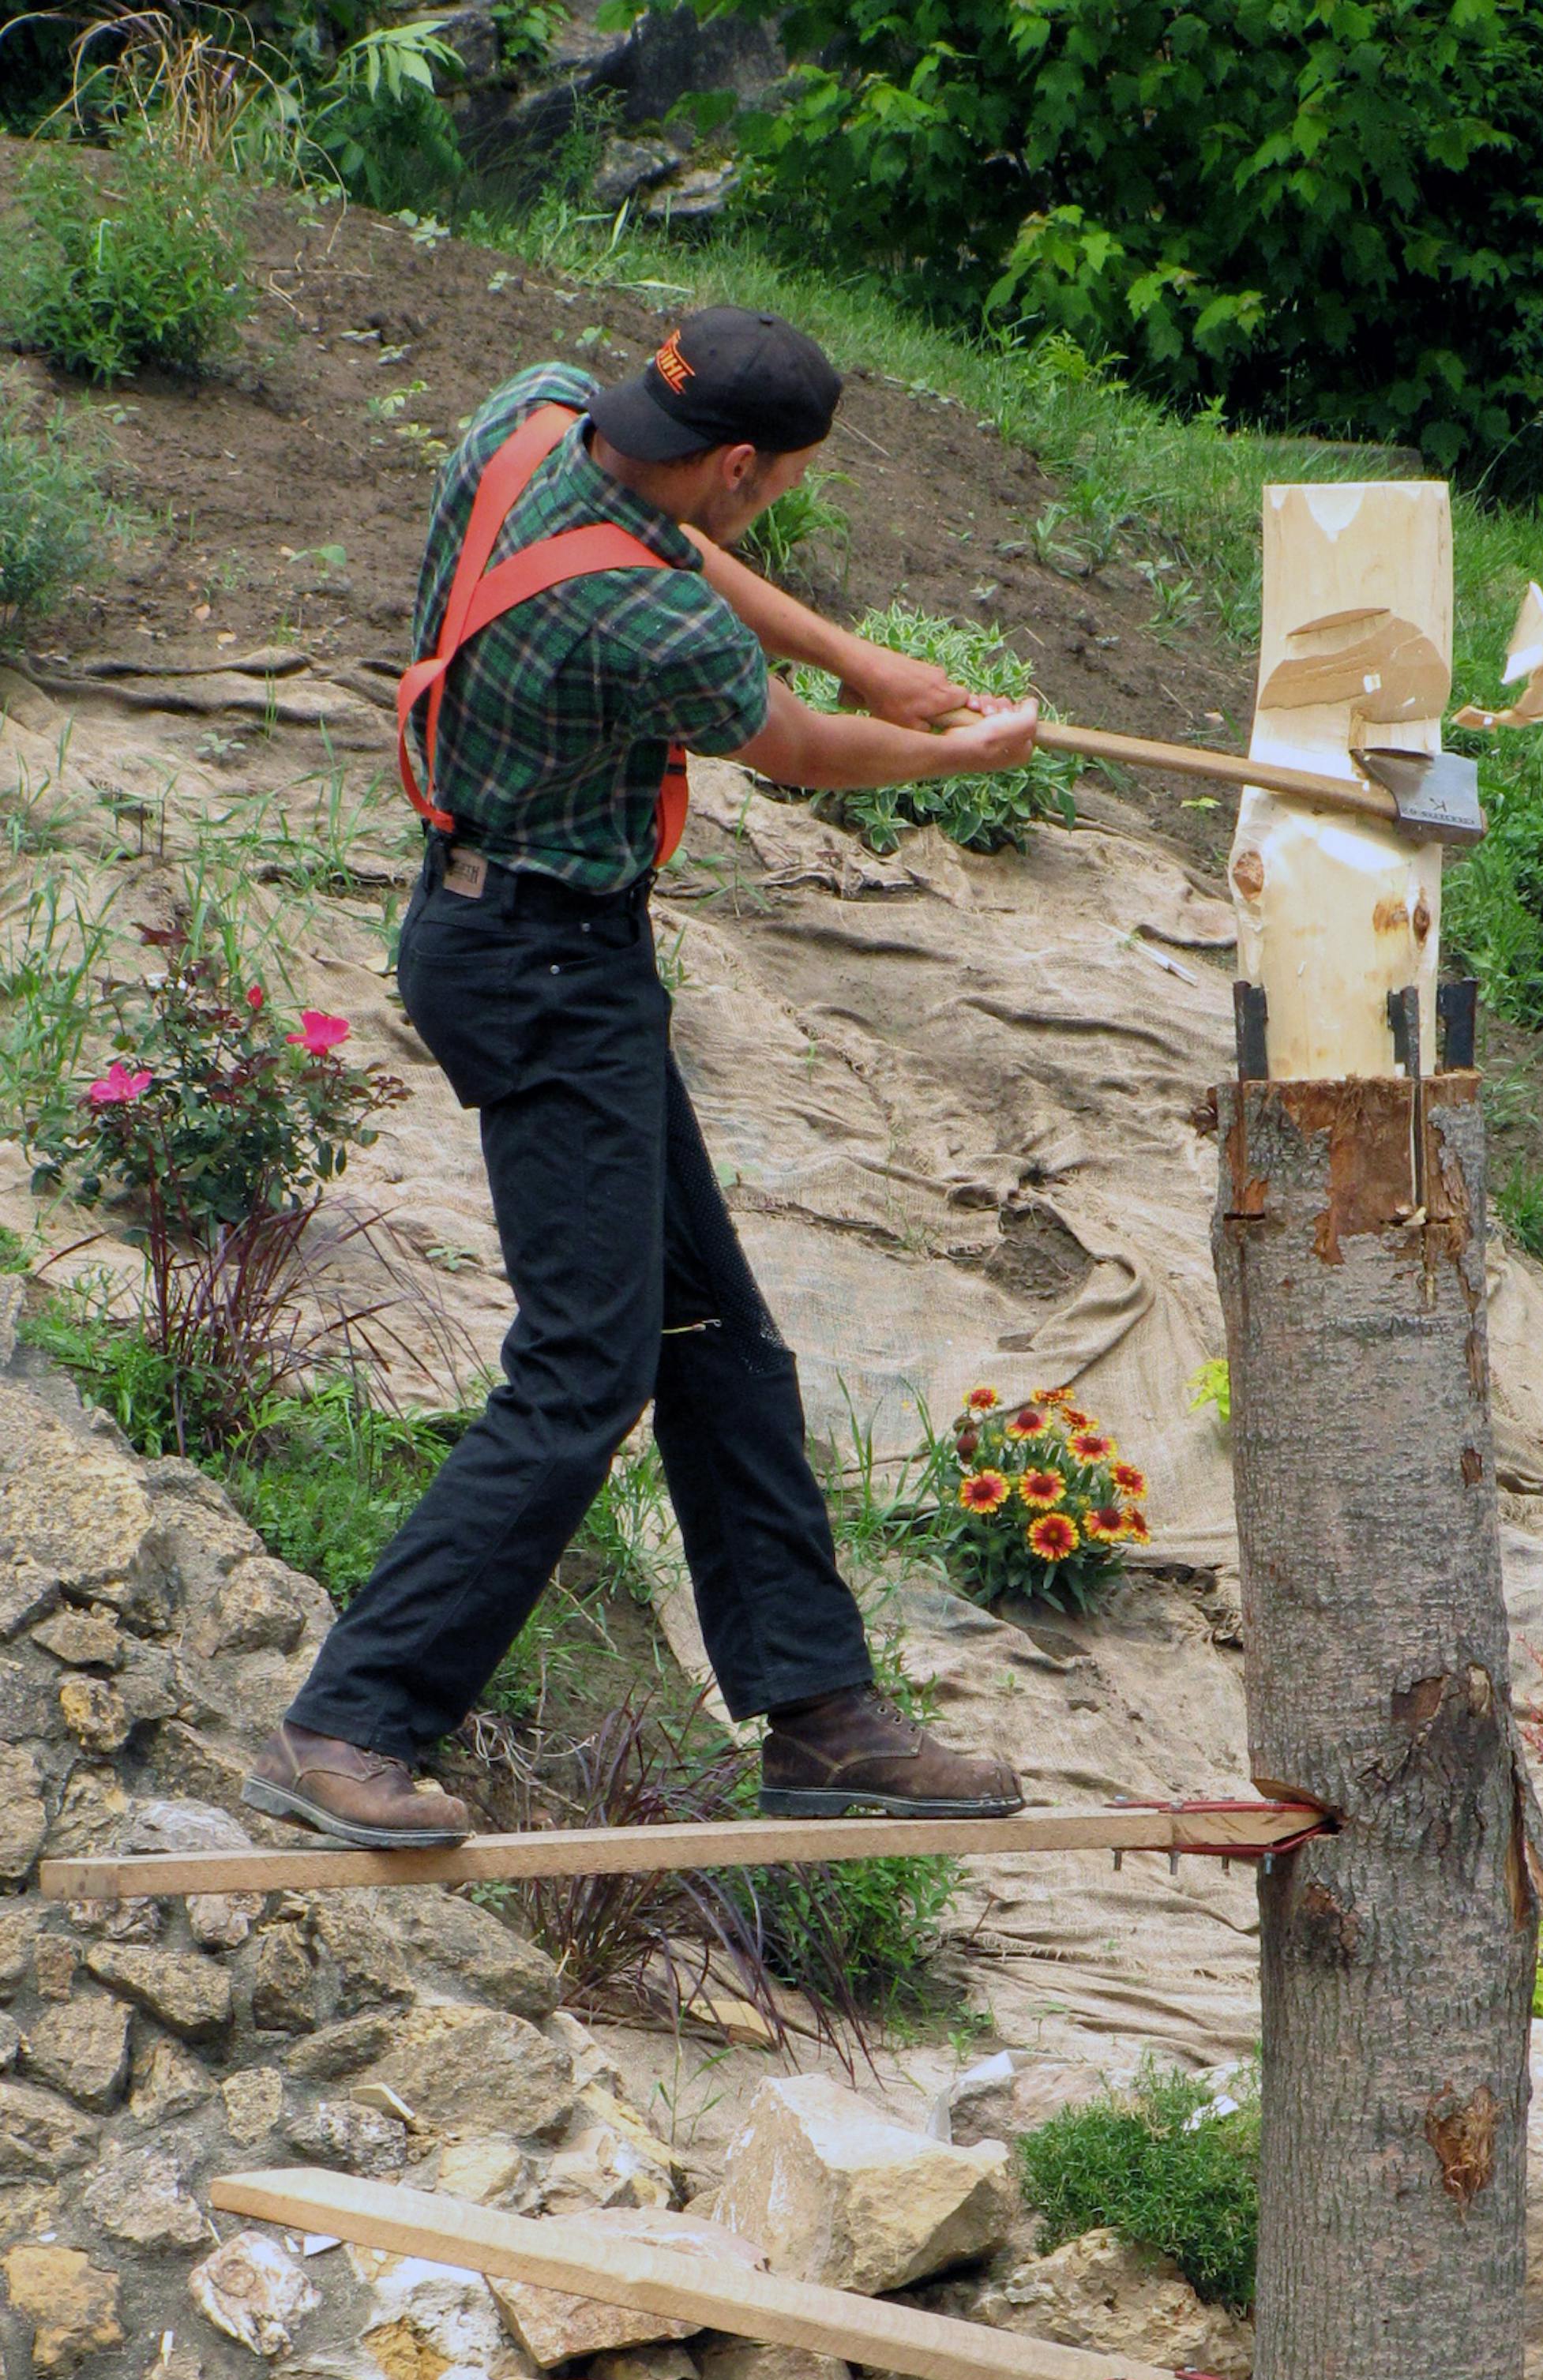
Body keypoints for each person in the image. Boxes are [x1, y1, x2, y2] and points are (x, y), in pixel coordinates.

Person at [246, 307, 1034, 1849]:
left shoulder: (534, 415)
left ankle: (821, 1715)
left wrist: (861, 650)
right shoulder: (648, 628)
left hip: (504, 930)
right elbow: (799, 751)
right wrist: (959, 754)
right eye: (782, 483)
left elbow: (682, 557)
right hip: (549, 975)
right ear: (738, 464)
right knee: (586, 1368)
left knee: (711, 1331)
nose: (771, 507)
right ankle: (349, 1720)